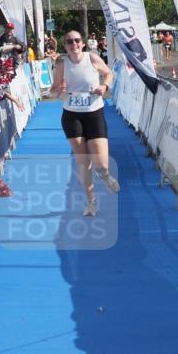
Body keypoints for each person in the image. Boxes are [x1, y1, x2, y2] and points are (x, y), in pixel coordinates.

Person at [53, 29, 120, 217]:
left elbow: (108, 74)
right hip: (72, 116)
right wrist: (59, 90)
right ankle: (91, 202)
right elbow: (53, 91)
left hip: (94, 114)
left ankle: (105, 175)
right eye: (69, 41)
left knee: (102, 163)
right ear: (64, 46)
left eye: (76, 40)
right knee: (84, 163)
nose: (73, 44)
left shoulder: (92, 59)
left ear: (82, 43)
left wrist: (104, 86)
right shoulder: (62, 64)